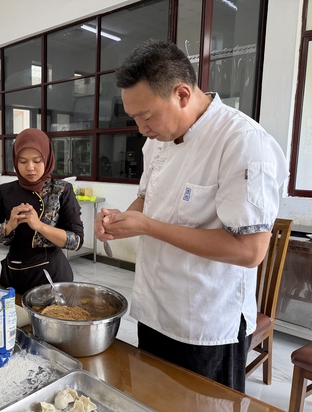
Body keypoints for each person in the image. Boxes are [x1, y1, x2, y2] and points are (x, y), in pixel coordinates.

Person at [94, 40, 288, 392]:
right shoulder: (159, 138)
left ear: (182, 94)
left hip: (206, 325)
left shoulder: (242, 141)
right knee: (152, 398)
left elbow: (249, 251)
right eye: (134, 118)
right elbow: (147, 197)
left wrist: (148, 226)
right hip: (155, 310)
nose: (141, 129)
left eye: (146, 116)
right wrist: (122, 221)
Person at [0, 128, 84, 295]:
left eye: (37, 161)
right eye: (22, 161)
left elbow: (76, 240)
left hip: (52, 278)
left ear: (47, 159)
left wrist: (39, 226)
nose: (30, 167)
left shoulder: (62, 190)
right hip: (14, 275)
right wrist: (8, 226)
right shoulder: (5, 192)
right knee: (15, 312)